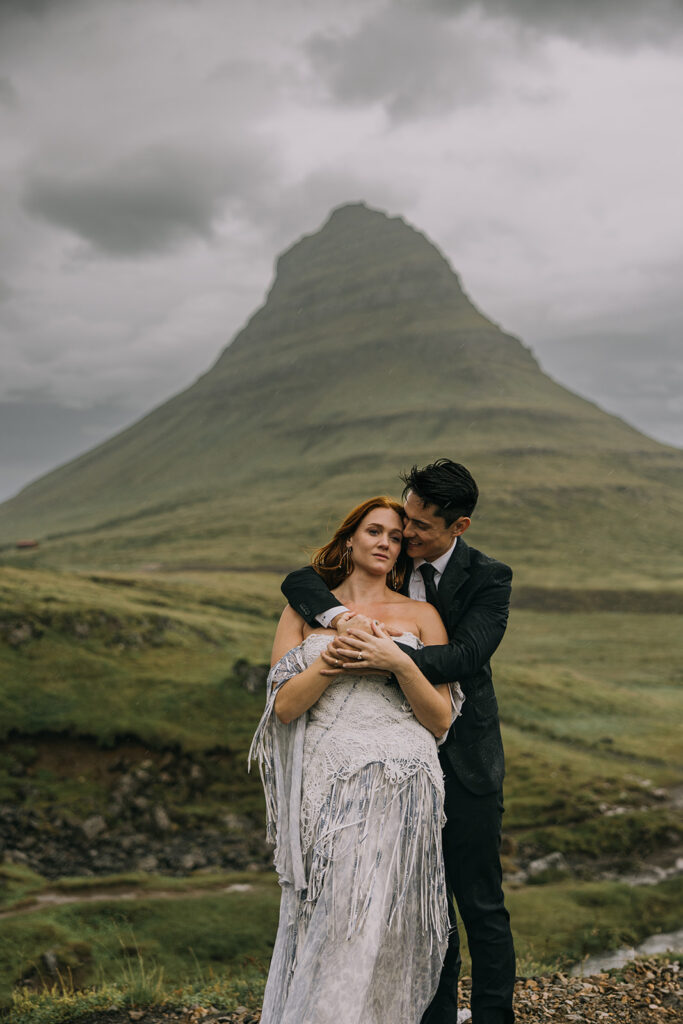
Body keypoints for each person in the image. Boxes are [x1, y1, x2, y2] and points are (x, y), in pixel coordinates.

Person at [281, 459, 516, 1024]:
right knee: (415, 904)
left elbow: (463, 659)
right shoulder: (387, 554)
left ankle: (491, 1018)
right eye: (400, 520)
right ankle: (426, 1014)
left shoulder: (488, 578)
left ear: (457, 527)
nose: (405, 534)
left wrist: (387, 655)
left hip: (461, 762)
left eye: (418, 526)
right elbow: (298, 581)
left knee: (477, 903)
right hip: (365, 774)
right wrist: (342, 619)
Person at [250, 496, 465, 1023]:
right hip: (327, 779)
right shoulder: (304, 609)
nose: (386, 544)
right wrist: (334, 663)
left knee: (375, 915)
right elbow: (283, 708)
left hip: (402, 775)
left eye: (395, 537)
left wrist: (396, 661)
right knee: (329, 909)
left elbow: (440, 719)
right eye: (375, 531)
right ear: (350, 539)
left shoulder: (421, 615)